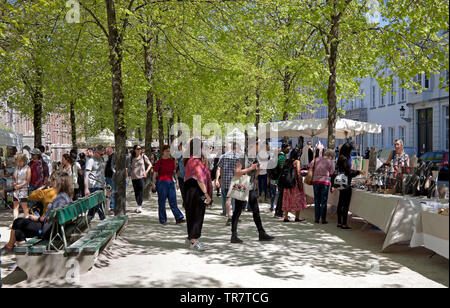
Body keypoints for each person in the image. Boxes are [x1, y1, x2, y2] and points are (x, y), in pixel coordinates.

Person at [1, 171, 73, 254]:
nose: (51, 182)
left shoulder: (60, 199)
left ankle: (9, 246)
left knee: (18, 222)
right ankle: (24, 259)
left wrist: (37, 218)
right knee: (18, 232)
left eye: (53, 180)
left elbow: (52, 219)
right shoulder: (65, 196)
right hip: (53, 228)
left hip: (48, 231)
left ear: (59, 183)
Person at [230, 140, 275, 244]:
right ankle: (234, 235)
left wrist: (258, 170)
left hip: (249, 188)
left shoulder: (254, 158)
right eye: (258, 146)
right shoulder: (242, 157)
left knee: (256, 210)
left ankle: (261, 233)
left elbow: (253, 175)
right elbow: (237, 172)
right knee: (237, 211)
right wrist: (250, 168)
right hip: (241, 185)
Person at [183, 139, 212, 251]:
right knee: (197, 215)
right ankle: (194, 240)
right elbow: (200, 179)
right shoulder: (195, 161)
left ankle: (191, 238)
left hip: (193, 190)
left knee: (193, 214)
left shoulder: (192, 160)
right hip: (197, 191)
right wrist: (207, 195)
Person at [333, 143, 364, 229]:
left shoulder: (340, 158)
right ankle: (344, 223)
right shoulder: (345, 159)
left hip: (340, 182)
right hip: (346, 183)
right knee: (345, 204)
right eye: (350, 151)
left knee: (340, 202)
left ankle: (339, 222)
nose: (351, 152)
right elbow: (348, 172)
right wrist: (358, 172)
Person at [152, 145, 185, 224]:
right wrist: (153, 183)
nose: (168, 152)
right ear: (163, 152)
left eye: (169, 151)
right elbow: (155, 173)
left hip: (170, 183)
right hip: (161, 183)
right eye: (166, 151)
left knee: (173, 201)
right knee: (162, 202)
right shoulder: (159, 162)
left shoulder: (171, 161)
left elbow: (174, 172)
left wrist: (176, 182)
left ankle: (179, 217)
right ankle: (162, 219)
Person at [308, 149, 336, 224]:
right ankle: (323, 219)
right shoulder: (330, 162)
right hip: (325, 182)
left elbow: (309, 166)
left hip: (315, 181)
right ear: (331, 155)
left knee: (317, 200)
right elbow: (332, 173)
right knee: (324, 201)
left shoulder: (316, 159)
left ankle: (316, 218)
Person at [215, 142, 240, 225]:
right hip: (235, 181)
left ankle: (229, 216)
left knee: (227, 199)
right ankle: (235, 216)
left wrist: (217, 179)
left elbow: (219, 169)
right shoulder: (238, 157)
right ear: (236, 148)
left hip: (225, 182)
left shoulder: (223, 156)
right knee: (236, 200)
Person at [282, 148, 307, 222]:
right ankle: (297, 217)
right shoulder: (297, 162)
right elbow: (298, 173)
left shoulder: (286, 161)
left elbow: (283, 169)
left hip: (287, 183)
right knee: (298, 198)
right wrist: (300, 183)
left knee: (287, 199)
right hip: (294, 183)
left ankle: (286, 217)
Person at [84, 145, 106, 220]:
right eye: (101, 154)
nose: (102, 155)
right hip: (93, 186)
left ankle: (88, 220)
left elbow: (102, 173)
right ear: (96, 152)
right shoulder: (91, 161)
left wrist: (104, 184)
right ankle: (103, 220)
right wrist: (86, 188)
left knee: (94, 207)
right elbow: (86, 175)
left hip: (100, 185)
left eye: (103, 154)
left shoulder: (102, 159)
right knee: (100, 205)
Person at [130, 145, 152, 213]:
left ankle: (140, 206)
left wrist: (146, 172)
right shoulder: (132, 157)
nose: (139, 150)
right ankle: (138, 206)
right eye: (138, 149)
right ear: (134, 150)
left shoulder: (143, 156)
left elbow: (150, 165)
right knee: (136, 192)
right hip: (134, 177)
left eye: (140, 149)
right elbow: (130, 166)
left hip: (141, 177)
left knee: (141, 192)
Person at [28, 148, 49, 214]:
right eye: (32, 154)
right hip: (32, 186)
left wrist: (44, 185)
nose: (32, 155)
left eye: (33, 154)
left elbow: (46, 175)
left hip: (40, 186)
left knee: (41, 203)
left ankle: (42, 217)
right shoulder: (30, 164)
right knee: (32, 203)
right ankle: (34, 216)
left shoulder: (43, 164)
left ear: (37, 155)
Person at [12, 154, 31, 221]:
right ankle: (15, 221)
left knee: (24, 206)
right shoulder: (16, 167)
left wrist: (20, 186)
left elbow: (27, 180)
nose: (16, 161)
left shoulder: (27, 168)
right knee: (15, 206)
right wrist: (14, 183)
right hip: (16, 189)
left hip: (23, 190)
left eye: (17, 160)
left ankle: (26, 221)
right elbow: (13, 177)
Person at [274, 143, 290, 218]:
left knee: (280, 196)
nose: (288, 150)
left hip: (279, 179)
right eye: (287, 149)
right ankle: (279, 212)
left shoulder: (280, 156)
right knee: (281, 197)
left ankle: (278, 212)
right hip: (281, 179)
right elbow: (283, 168)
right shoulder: (282, 157)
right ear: (283, 148)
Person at [176, 143, 187, 208]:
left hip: (188, 176)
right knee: (183, 192)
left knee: (187, 191)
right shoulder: (179, 156)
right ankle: (185, 203)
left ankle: (186, 203)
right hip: (181, 177)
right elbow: (178, 167)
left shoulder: (188, 155)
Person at [105, 147, 115, 213]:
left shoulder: (113, 157)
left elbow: (112, 167)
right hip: (108, 177)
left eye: (106, 151)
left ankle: (112, 207)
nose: (105, 152)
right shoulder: (109, 157)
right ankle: (109, 206)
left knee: (112, 191)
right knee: (108, 191)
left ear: (109, 151)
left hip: (111, 177)